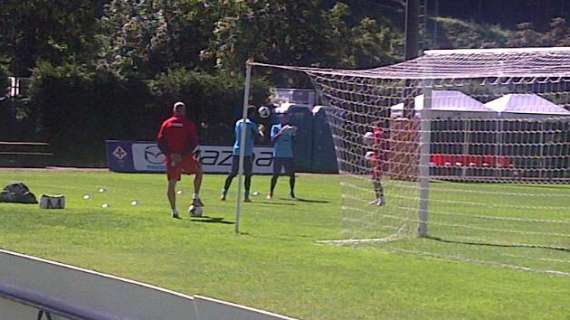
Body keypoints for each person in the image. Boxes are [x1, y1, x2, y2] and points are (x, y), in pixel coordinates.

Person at [157, 101, 204, 219]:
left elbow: (160, 141)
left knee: (171, 183)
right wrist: (182, 154)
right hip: (185, 157)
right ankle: (195, 196)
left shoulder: (166, 123)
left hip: (172, 158)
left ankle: (174, 210)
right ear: (183, 111)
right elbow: (193, 142)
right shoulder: (188, 124)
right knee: (199, 172)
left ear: (174, 110)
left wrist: (170, 154)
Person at [221, 106, 265, 202]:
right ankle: (246, 196)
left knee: (232, 173)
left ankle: (224, 193)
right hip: (247, 152)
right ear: (251, 114)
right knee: (248, 174)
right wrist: (261, 130)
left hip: (236, 150)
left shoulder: (238, 123)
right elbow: (260, 138)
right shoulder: (251, 124)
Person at [267, 112, 297, 200]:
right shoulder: (275, 127)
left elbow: (295, 141)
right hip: (278, 154)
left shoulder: (290, 128)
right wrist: (281, 132)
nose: (285, 119)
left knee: (292, 174)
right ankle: (271, 192)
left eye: (286, 117)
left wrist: (294, 134)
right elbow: (273, 140)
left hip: (288, 154)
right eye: (283, 117)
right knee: (275, 175)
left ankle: (292, 192)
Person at [365, 123, 385, 206]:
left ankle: (382, 199)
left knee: (376, 180)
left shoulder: (378, 135)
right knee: (374, 179)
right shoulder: (377, 133)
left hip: (379, 160)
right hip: (376, 158)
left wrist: (373, 149)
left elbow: (379, 147)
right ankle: (377, 198)